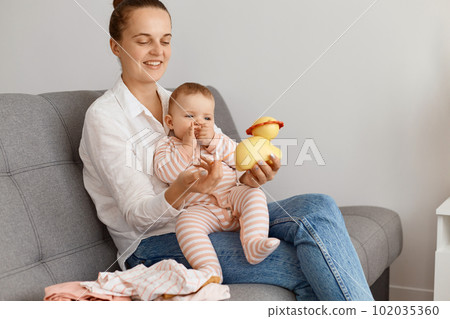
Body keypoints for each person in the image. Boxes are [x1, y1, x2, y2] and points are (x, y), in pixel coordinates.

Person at [79, 0, 374, 300]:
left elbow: (229, 155)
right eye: (144, 41)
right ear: (116, 46)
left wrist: (248, 174)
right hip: (157, 242)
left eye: (165, 41)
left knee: (318, 207)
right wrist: (182, 188)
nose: (158, 51)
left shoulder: (184, 101)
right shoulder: (105, 118)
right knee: (311, 266)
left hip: (221, 211)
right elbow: (136, 215)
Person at [153, 82, 280, 283]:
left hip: (232, 196)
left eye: (207, 118)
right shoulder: (166, 146)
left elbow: (238, 159)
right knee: (185, 225)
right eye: (189, 116)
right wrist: (186, 148)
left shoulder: (218, 140)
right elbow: (166, 173)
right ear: (170, 122)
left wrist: (213, 141)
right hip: (201, 209)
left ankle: (253, 243)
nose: (199, 123)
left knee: (254, 194)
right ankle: (209, 270)